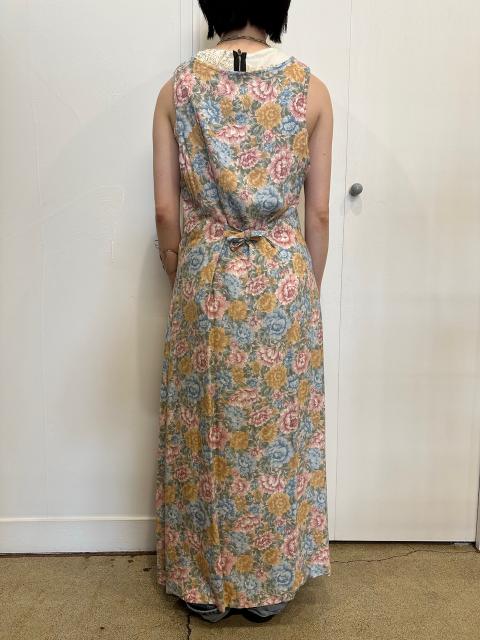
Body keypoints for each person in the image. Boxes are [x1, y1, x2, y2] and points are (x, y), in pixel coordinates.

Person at [152, 0, 333, 624]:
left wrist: (179, 267)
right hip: (283, 280)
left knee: (204, 430)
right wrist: (304, 288)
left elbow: (166, 213)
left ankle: (204, 586)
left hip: (206, 279)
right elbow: (318, 213)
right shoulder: (311, 90)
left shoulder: (177, 90)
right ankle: (271, 586)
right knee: (275, 434)